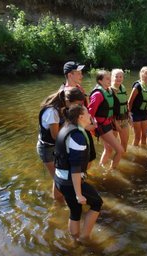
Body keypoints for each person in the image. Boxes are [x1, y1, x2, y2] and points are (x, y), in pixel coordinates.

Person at [54, 104, 103, 242]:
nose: (90, 115)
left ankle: (75, 241)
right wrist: (79, 194)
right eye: (87, 113)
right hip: (69, 182)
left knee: (75, 211)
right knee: (97, 203)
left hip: (60, 178)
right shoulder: (78, 137)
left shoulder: (67, 128)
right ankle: (84, 237)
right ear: (80, 117)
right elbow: (75, 168)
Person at [37, 88, 86, 202]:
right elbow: (55, 136)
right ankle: (57, 203)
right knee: (58, 179)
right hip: (47, 149)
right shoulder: (52, 112)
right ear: (69, 101)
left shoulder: (63, 107)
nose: (79, 107)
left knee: (61, 176)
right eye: (78, 104)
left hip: (55, 147)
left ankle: (60, 200)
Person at [61, 61, 97, 165]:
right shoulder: (66, 94)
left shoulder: (78, 88)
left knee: (89, 159)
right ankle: (80, 179)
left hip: (84, 127)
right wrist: (88, 127)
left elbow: (85, 107)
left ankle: (82, 178)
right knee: (84, 161)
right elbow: (70, 118)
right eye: (78, 73)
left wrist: (90, 121)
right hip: (78, 130)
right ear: (70, 75)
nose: (82, 75)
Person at [88, 70, 124, 169]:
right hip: (102, 126)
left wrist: (115, 123)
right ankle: (112, 172)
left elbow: (110, 110)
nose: (110, 80)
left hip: (109, 123)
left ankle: (101, 167)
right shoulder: (98, 94)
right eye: (107, 78)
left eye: (110, 78)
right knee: (120, 150)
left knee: (108, 149)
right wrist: (92, 128)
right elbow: (89, 113)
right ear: (100, 81)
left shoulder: (109, 91)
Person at [128, 66, 147, 146]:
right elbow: (129, 102)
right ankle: (136, 155)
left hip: (145, 113)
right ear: (142, 75)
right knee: (137, 137)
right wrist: (129, 116)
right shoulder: (137, 87)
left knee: (145, 136)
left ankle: (144, 152)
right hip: (136, 114)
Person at [111, 68, 130, 152]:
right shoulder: (109, 90)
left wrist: (129, 117)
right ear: (112, 77)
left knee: (124, 142)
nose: (119, 78)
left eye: (121, 77)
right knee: (112, 146)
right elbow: (110, 110)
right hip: (114, 121)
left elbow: (126, 103)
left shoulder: (123, 88)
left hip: (124, 118)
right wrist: (115, 123)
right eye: (116, 76)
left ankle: (123, 160)